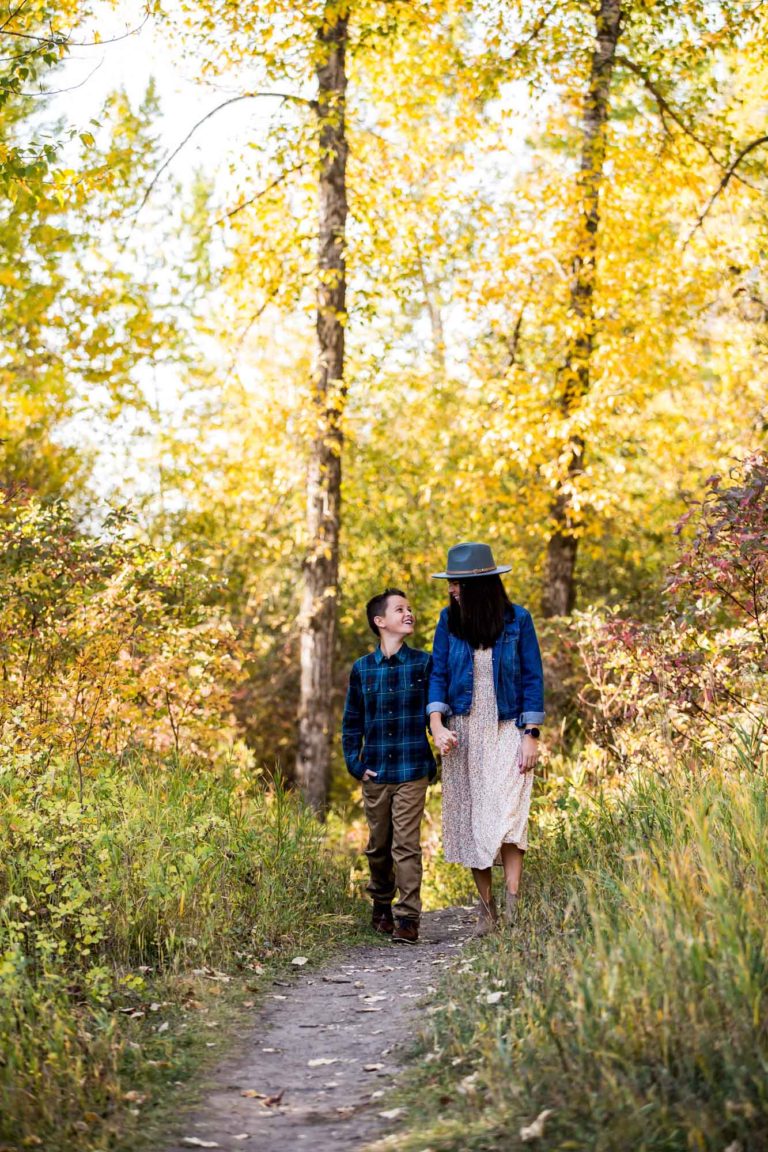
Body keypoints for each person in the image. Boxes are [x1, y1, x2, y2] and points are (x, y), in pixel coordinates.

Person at [427, 542, 545, 933]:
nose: (452, 590)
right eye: (451, 584)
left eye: (458, 584)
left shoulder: (518, 621)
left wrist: (531, 734)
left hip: (508, 727)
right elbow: (439, 676)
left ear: (480, 586)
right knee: (476, 820)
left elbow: (532, 678)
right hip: (464, 731)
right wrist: (438, 724)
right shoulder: (449, 621)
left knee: (509, 815)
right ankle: (487, 909)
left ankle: (513, 904)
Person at [342, 588, 436, 945]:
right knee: (379, 846)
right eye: (400, 609)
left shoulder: (424, 664)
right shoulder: (362, 669)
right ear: (380, 622)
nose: (409, 613)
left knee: (406, 846)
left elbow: (435, 713)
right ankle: (381, 904)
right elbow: (351, 723)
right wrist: (355, 764)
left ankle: (408, 917)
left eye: (410, 608)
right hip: (377, 771)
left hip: (413, 768)